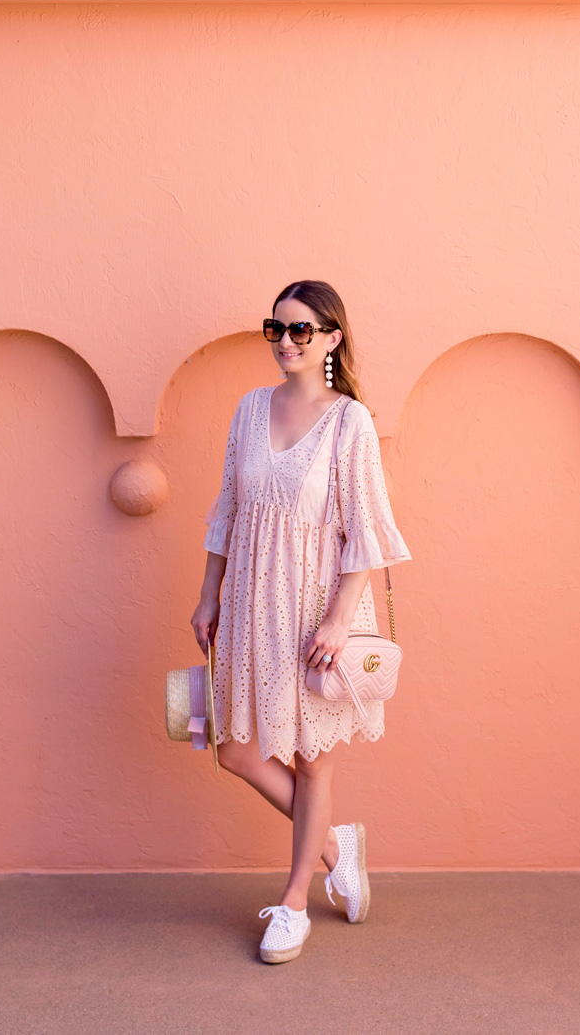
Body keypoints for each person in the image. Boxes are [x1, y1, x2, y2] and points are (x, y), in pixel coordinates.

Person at [191, 279, 411, 963]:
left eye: (300, 331)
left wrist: (341, 621)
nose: (285, 342)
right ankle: (337, 847)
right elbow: (227, 508)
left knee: (314, 760)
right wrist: (209, 595)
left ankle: (293, 905)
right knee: (237, 748)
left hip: (318, 609)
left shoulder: (351, 422)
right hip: (255, 602)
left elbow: (365, 533)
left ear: (332, 339)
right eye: (276, 329)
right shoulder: (250, 409)